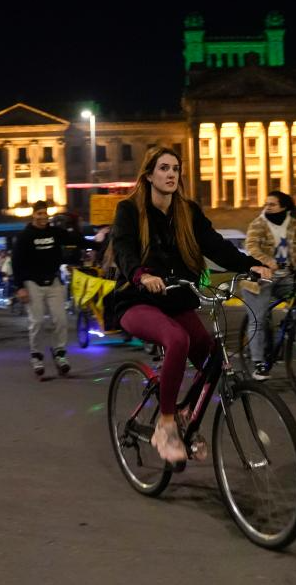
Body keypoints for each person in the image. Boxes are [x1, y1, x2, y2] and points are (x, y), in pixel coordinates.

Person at [112, 146, 270, 462]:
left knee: (214, 359)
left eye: (176, 169)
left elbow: (217, 247)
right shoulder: (130, 210)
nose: (171, 174)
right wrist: (142, 275)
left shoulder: (188, 212)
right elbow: (123, 249)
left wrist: (251, 265)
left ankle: (185, 413)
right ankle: (166, 424)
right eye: (164, 168)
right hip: (137, 300)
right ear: (149, 175)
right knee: (177, 339)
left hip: (177, 300)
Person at [242, 191, 296, 381]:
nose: (267, 207)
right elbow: (251, 247)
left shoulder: (293, 225)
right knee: (258, 320)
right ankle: (258, 363)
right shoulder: (258, 224)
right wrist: (267, 261)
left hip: (286, 278)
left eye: (272, 204)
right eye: (266, 204)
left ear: (284, 207)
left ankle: (292, 334)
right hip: (260, 281)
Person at [11, 201, 84, 378]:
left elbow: (76, 241)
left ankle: (60, 354)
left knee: (61, 320)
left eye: (44, 213)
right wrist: (20, 287)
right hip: (32, 283)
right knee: (37, 322)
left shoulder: (55, 232)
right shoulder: (25, 236)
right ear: (33, 215)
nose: (42, 217)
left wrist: (102, 244)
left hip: (53, 282)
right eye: (39, 214)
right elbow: (16, 263)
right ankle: (36, 356)